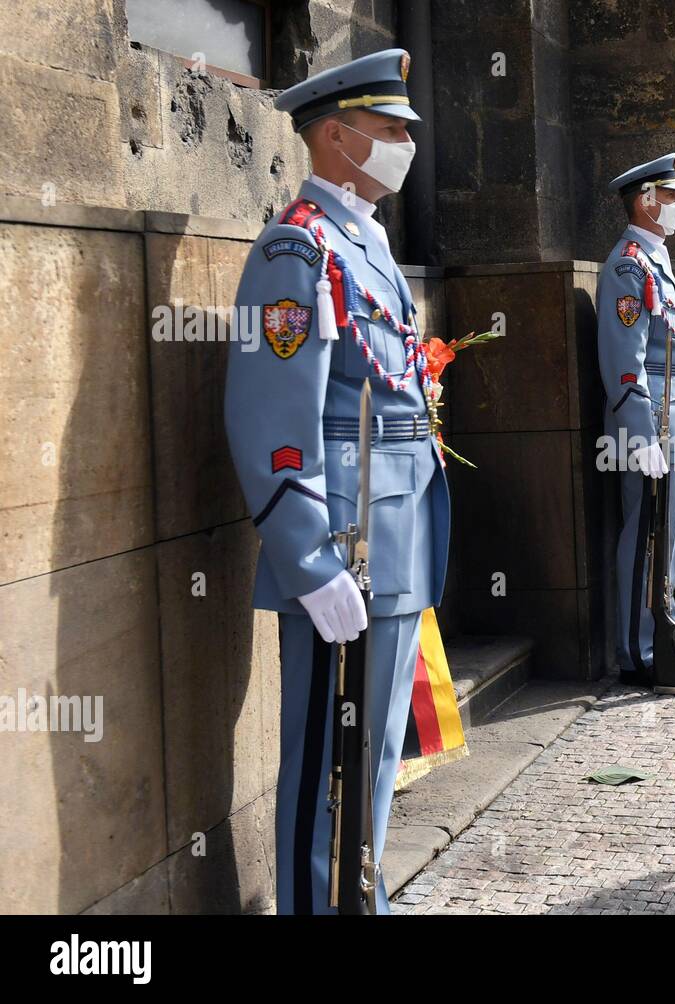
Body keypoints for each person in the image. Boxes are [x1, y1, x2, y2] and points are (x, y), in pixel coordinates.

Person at [223, 49, 450, 913]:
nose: (404, 145)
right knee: (325, 760)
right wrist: (309, 564)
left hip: (395, 541)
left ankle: (362, 896)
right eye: (391, 130)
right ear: (335, 135)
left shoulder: (367, 245)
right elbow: (274, 424)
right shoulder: (297, 250)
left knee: (378, 757)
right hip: (343, 550)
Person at [596, 153, 675, 694]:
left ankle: (660, 638)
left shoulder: (654, 262)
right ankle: (635, 651)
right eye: (671, 197)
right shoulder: (627, 265)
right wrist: (640, 436)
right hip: (651, 422)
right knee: (643, 534)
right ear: (646, 201)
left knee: (664, 538)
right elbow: (625, 359)